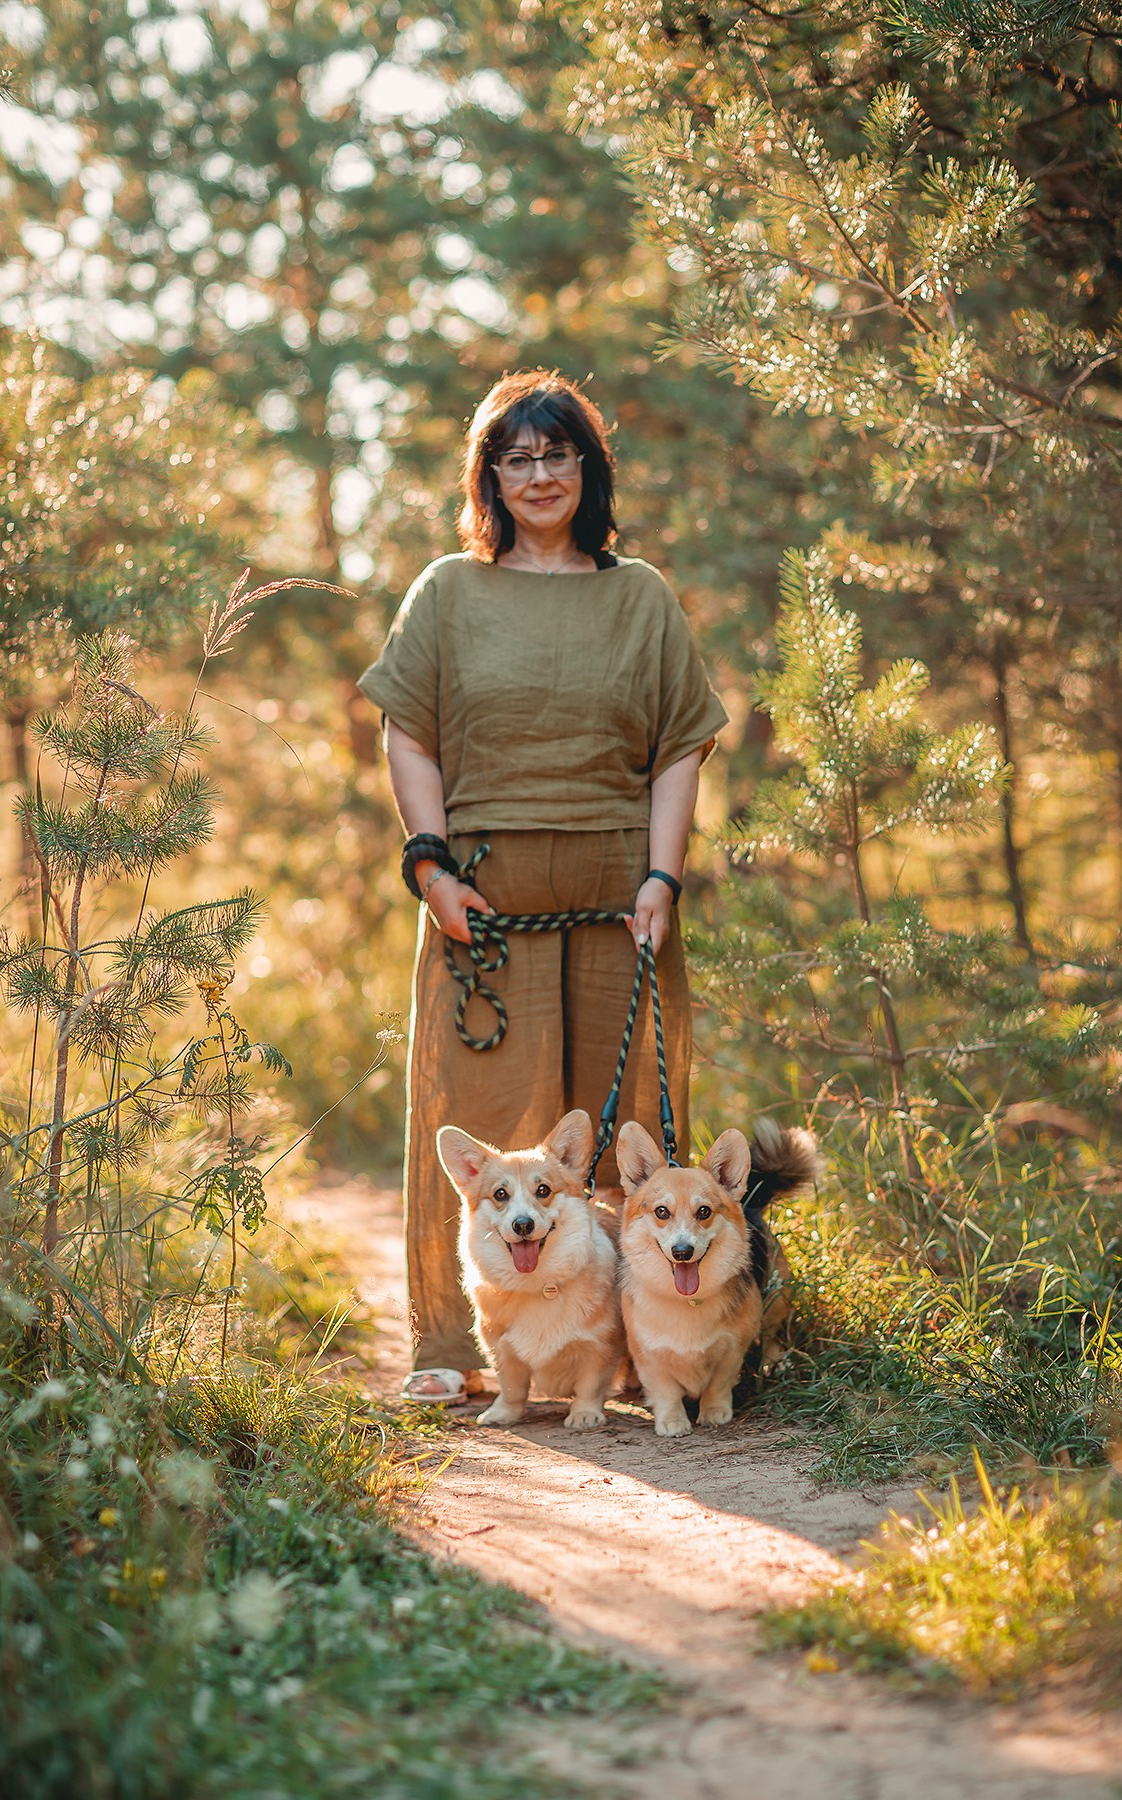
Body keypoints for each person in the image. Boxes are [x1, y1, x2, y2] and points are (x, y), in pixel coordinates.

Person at [357, 368, 728, 1401]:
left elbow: (679, 749)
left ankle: (645, 1346)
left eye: (557, 453)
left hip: (621, 892)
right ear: (489, 477)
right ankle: (457, 1351)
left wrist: (663, 876)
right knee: (482, 1123)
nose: (537, 474)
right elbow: (408, 734)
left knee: (628, 1129)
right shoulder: (447, 590)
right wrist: (428, 865)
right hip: (480, 902)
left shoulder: (639, 595)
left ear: (587, 467)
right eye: (515, 457)